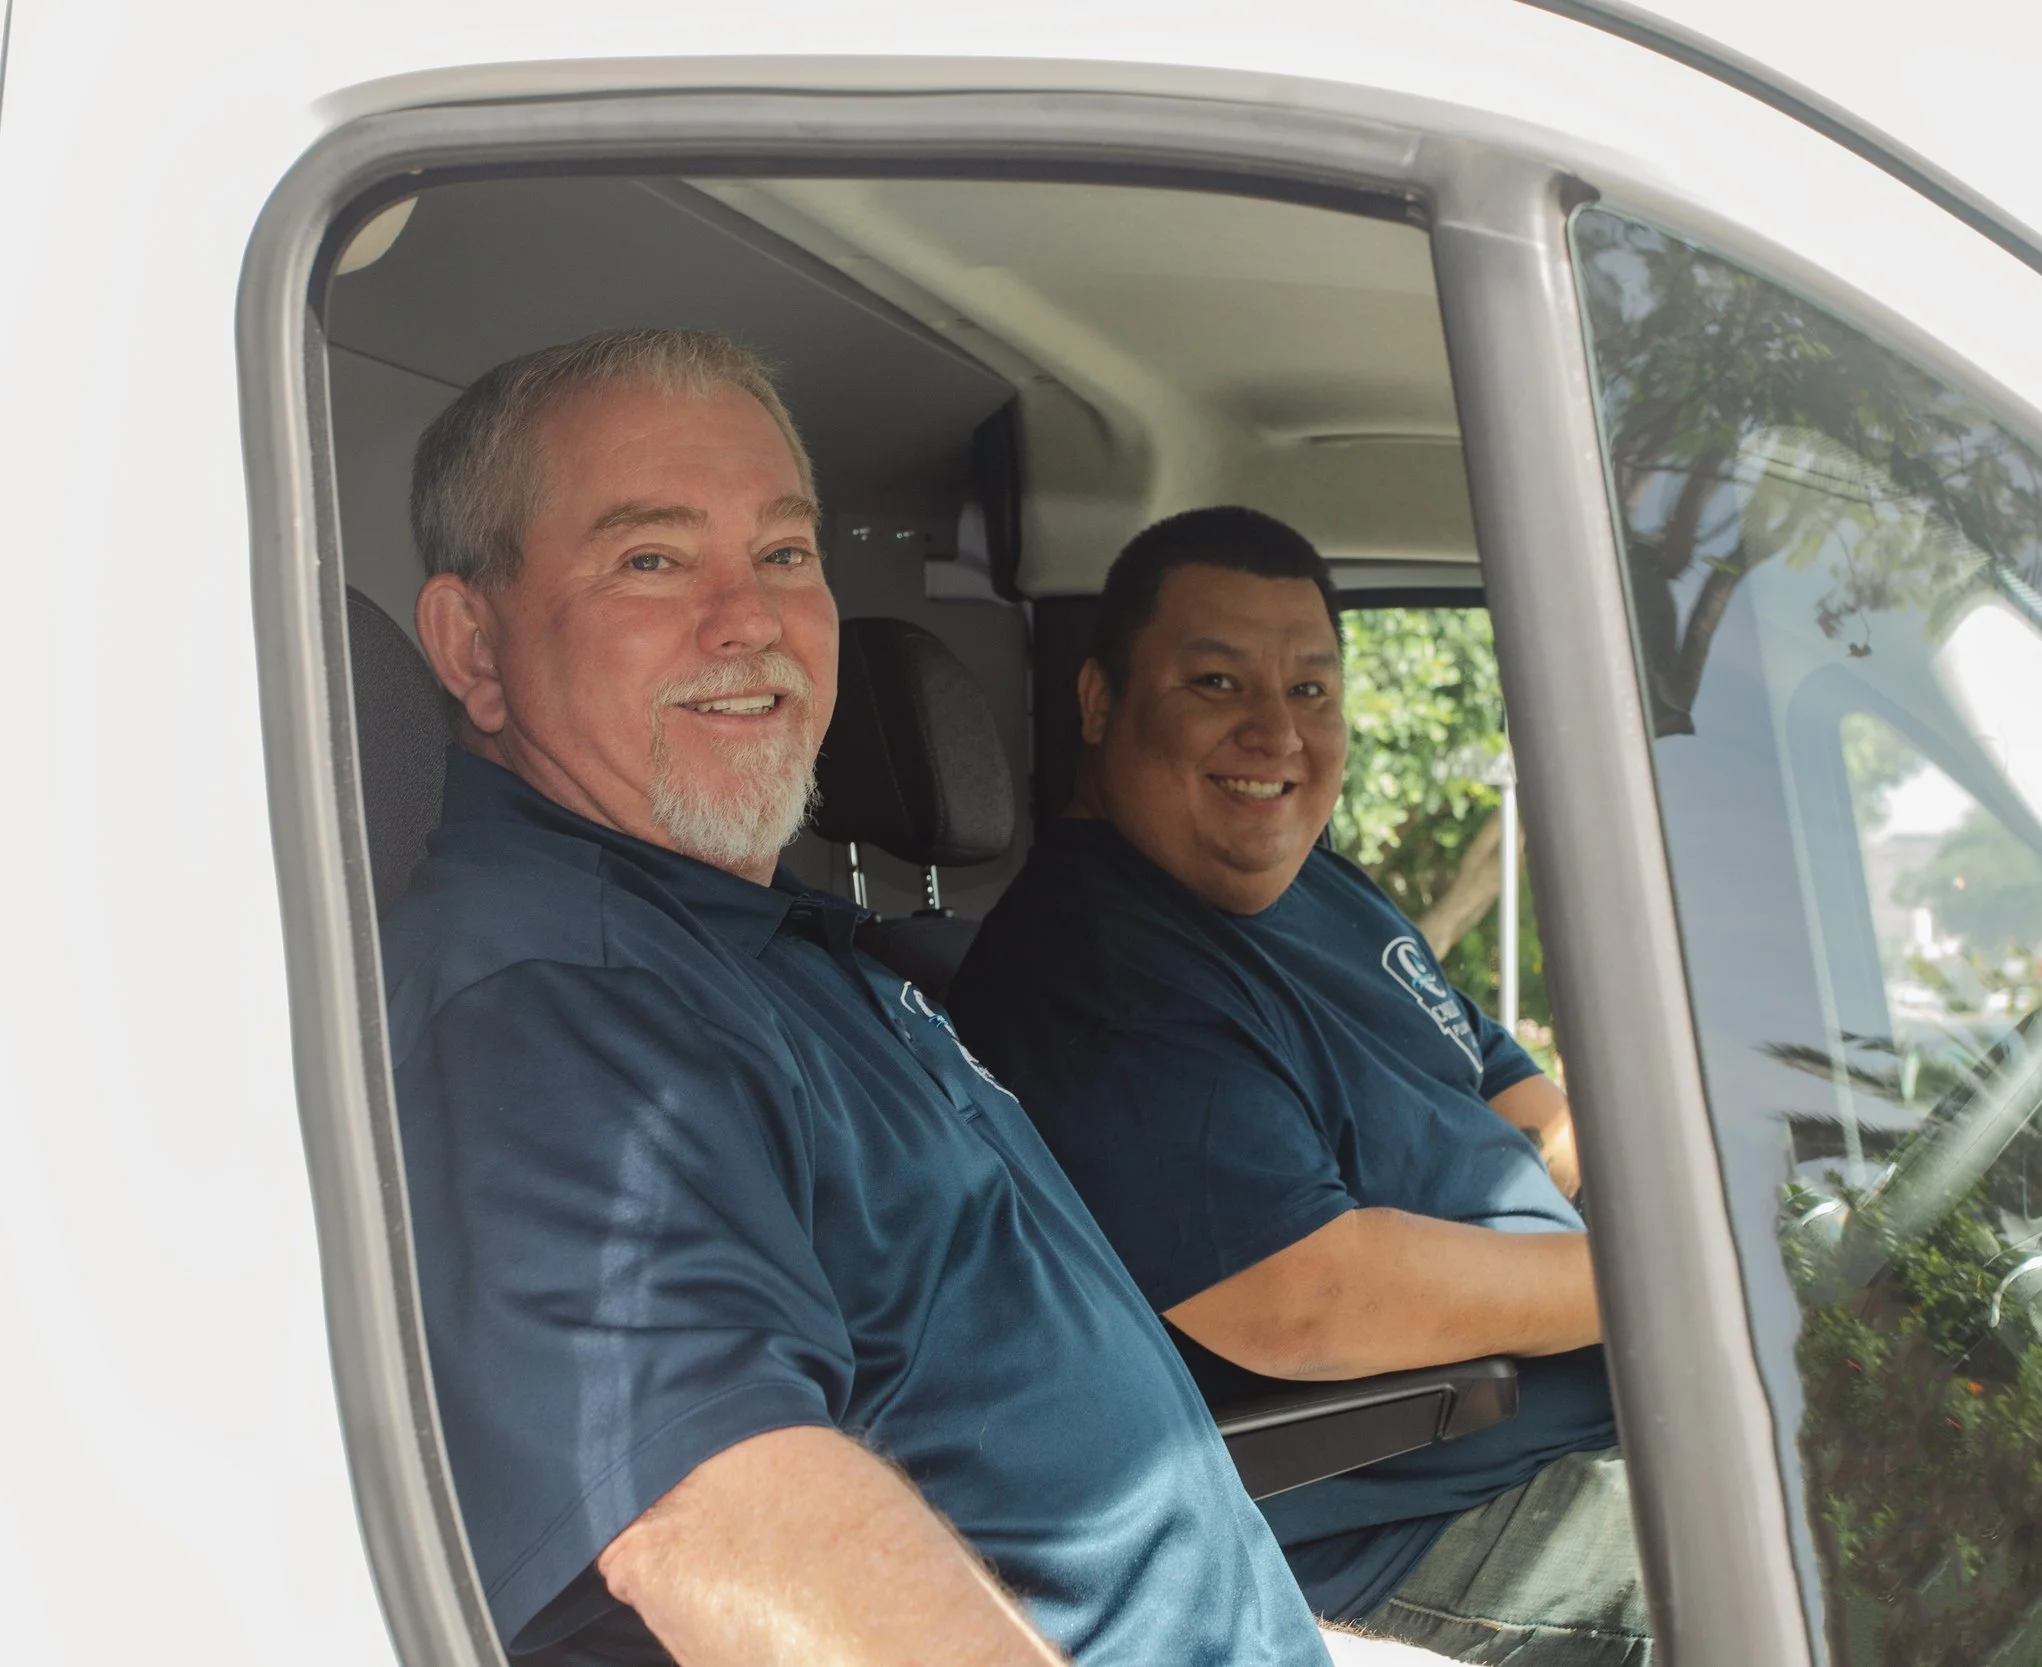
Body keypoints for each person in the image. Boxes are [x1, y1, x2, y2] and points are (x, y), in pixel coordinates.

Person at [384, 332, 1335, 1667]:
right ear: (473, 645)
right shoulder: (554, 1002)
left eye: (784, 553)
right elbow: (732, 1532)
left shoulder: (769, 946)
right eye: (652, 559)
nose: (751, 618)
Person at [948, 508, 1658, 1666]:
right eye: (1217, 682)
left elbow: (1512, 1098)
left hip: (1595, 1423)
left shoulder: (1325, 888)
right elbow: (1304, 1296)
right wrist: (1663, 1285)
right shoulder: (1092, 962)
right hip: (1403, 1526)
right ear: (1099, 700)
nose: (1276, 731)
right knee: (1838, 1564)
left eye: (1311, 689)